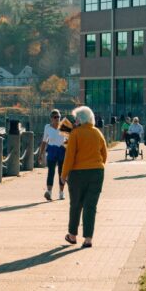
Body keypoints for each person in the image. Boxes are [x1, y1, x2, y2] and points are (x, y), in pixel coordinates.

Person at [60, 105, 107, 248]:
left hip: (78, 173)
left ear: (80, 119)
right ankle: (88, 239)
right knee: (90, 206)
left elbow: (69, 156)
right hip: (97, 172)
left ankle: (72, 235)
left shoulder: (75, 134)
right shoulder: (97, 133)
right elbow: (104, 154)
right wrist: (98, 166)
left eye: (76, 118)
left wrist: (63, 175)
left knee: (76, 204)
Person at [39, 109, 68, 201]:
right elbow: (44, 141)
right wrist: (40, 154)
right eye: (55, 117)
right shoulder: (47, 127)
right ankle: (49, 192)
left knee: (61, 173)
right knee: (51, 172)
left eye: (58, 117)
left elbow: (69, 141)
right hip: (51, 150)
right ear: (51, 118)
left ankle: (61, 193)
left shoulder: (64, 125)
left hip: (62, 150)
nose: (57, 119)